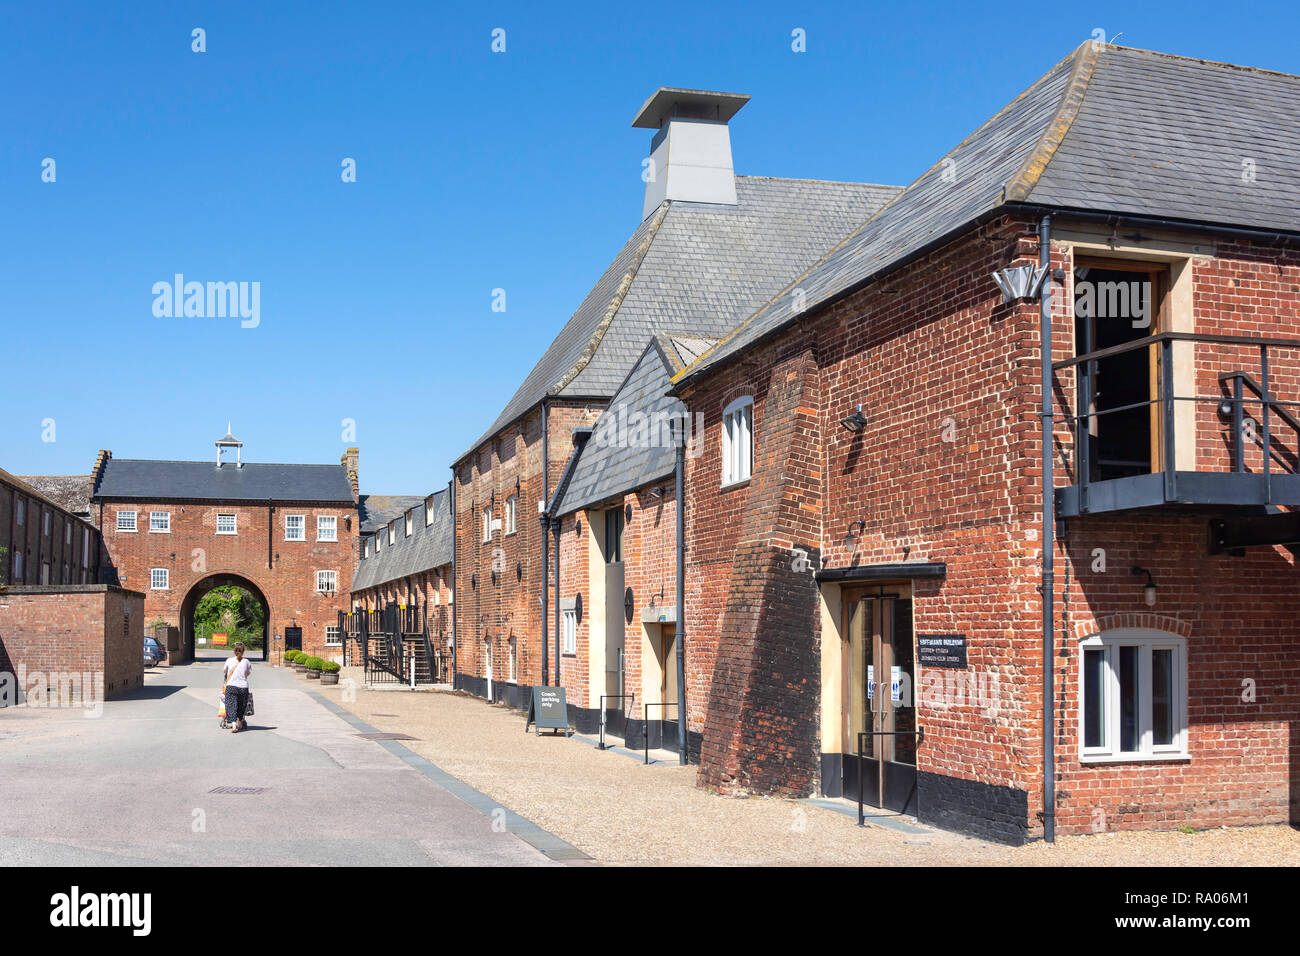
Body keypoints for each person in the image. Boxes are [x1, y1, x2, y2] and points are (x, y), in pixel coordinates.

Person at [223, 642, 252, 732]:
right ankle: (240, 720)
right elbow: (248, 673)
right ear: (243, 651)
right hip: (243, 687)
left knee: (231, 705)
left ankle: (234, 724)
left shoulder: (229, 660)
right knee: (241, 706)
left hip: (231, 686)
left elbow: (225, 671)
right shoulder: (246, 661)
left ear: (234, 651)